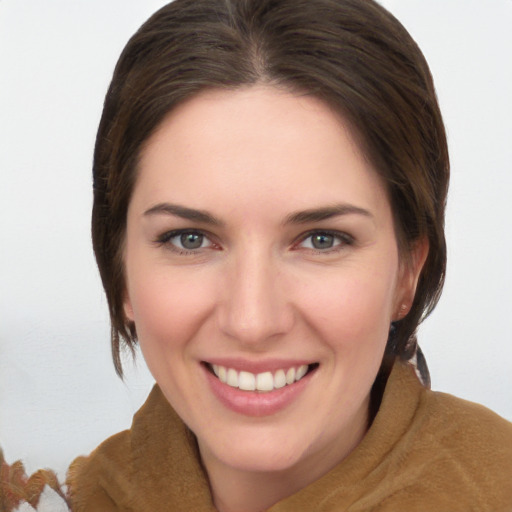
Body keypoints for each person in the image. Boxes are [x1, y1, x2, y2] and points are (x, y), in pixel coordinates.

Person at [2, 0, 511, 511]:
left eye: (322, 239)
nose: (252, 321)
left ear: (408, 273)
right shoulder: (62, 501)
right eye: (190, 239)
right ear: (120, 271)